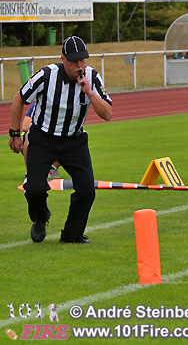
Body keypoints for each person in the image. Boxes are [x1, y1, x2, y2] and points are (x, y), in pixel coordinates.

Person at [8, 36, 113, 244]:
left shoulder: (92, 76)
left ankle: (72, 235)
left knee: (87, 190)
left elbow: (108, 113)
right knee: (34, 189)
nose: (79, 65)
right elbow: (19, 98)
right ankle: (40, 217)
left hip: (74, 141)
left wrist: (89, 93)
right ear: (63, 59)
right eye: (74, 61)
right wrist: (15, 133)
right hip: (43, 140)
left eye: (82, 60)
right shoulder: (47, 75)